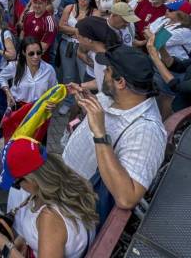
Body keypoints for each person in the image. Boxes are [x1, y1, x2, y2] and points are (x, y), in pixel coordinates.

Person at [63, 46, 166, 219]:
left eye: (108, 70)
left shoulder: (147, 132)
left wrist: (100, 135)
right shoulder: (117, 96)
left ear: (121, 82)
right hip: (66, 187)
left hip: (78, 211)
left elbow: (127, 198)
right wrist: (89, 100)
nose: (103, 73)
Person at [0, 139, 97, 258]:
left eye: (16, 183)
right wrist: (26, 242)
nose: (19, 188)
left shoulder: (50, 218)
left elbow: (52, 231)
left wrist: (6, 248)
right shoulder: (67, 184)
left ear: (33, 180)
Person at [0, 38, 57, 109]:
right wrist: (7, 92)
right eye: (31, 54)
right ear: (24, 53)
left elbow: (54, 90)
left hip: (40, 110)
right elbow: (2, 76)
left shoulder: (49, 70)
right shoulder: (15, 66)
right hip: (18, 109)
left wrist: (53, 103)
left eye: (38, 53)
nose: (35, 57)